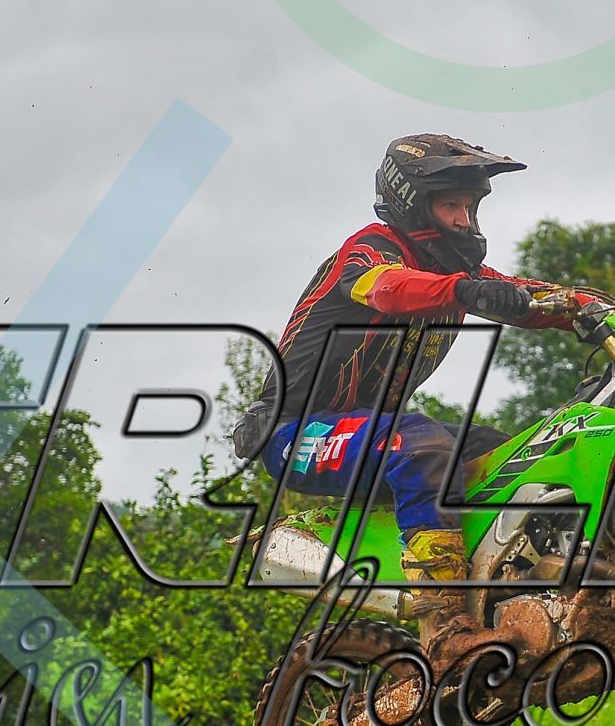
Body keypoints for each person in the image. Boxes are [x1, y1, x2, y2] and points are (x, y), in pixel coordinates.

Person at [231, 133, 577, 651]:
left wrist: (599, 310)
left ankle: (518, 596)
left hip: (371, 434)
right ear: (414, 203)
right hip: (294, 434)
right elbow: (389, 289)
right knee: (419, 443)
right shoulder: (369, 251)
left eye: (471, 206)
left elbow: (531, 298)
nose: (464, 220)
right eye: (451, 205)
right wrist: (466, 291)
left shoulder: (459, 275)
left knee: (518, 453)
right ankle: (445, 619)